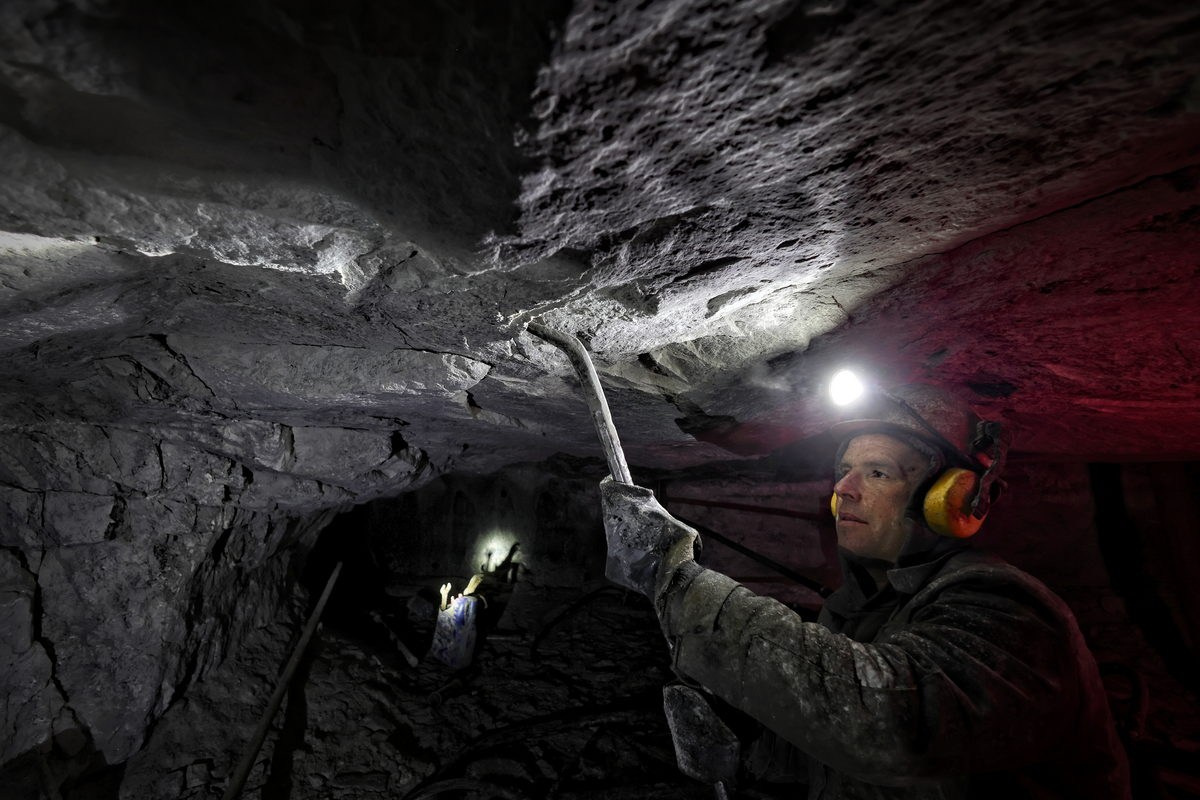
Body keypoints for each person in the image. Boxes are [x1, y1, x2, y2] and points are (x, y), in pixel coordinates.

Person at [601, 383, 1130, 798]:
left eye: (877, 473)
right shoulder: (857, 610)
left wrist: (671, 576)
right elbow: (830, 754)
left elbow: (887, 723)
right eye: (845, 470)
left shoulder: (1011, 613)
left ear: (951, 500)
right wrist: (749, 745)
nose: (843, 488)